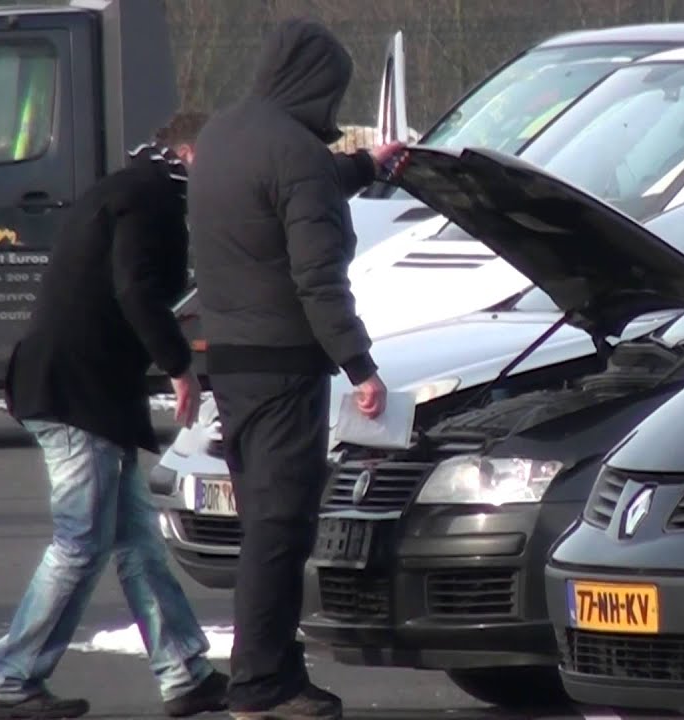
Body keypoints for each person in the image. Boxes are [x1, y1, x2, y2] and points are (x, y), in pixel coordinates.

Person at [0, 114, 229, 720]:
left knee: (138, 543)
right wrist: (178, 365)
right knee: (81, 540)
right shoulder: (150, 200)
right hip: (75, 392)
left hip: (83, 389)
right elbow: (136, 289)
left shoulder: (129, 186)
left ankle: (186, 673)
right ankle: (9, 676)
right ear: (191, 153)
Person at [188, 18, 404, 720]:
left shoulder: (224, 134)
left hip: (232, 362)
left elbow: (286, 187)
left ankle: (281, 671)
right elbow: (318, 278)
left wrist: (367, 167)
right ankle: (257, 687)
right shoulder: (295, 152)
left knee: (265, 526)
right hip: (285, 369)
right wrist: (359, 366)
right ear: (316, 82)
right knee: (280, 531)